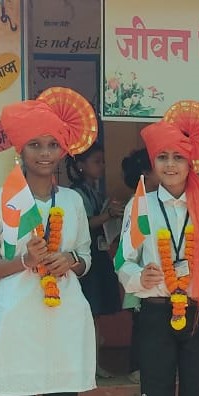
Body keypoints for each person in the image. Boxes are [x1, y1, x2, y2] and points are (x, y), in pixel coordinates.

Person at [0, 87, 96, 396]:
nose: (44, 153)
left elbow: (86, 258)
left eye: (53, 145)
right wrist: (23, 262)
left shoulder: (72, 201)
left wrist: (70, 260)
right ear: (20, 150)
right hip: (17, 325)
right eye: (35, 145)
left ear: (63, 151)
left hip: (66, 322)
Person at [115, 101, 199, 396]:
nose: (170, 165)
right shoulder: (139, 205)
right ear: (153, 163)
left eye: (178, 157)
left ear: (191, 161)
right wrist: (140, 278)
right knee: (156, 392)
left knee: (198, 392)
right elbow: (122, 262)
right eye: (162, 157)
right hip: (154, 313)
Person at [66, 142, 124, 379]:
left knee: (96, 313)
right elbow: (84, 224)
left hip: (98, 257)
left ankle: (93, 364)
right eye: (96, 161)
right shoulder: (76, 193)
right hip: (84, 259)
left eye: (102, 161)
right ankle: (89, 365)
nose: (101, 166)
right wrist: (107, 215)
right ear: (81, 166)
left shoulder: (94, 191)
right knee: (89, 312)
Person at [119, 148, 160, 384]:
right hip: (142, 275)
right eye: (160, 161)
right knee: (141, 323)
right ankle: (137, 366)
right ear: (146, 172)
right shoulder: (137, 202)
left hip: (159, 280)